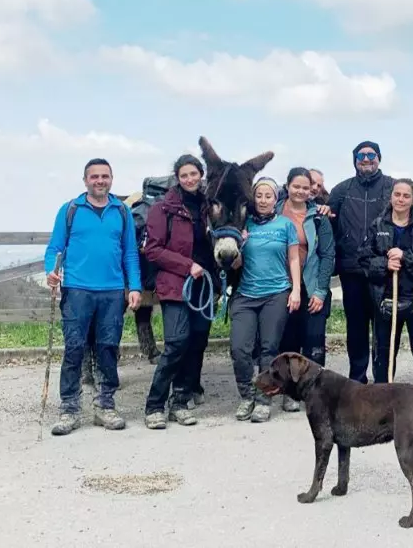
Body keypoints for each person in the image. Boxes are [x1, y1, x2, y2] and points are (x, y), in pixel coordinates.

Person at [44, 158, 142, 436]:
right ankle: (69, 409)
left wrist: (133, 286)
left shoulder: (121, 211)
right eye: (94, 176)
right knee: (74, 349)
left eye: (105, 176)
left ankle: (105, 406)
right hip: (77, 290)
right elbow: (55, 248)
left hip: (112, 292)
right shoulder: (70, 210)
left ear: (112, 179)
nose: (100, 181)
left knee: (108, 349)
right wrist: (52, 272)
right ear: (85, 180)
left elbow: (130, 254)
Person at [141, 154, 217, 429]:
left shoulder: (209, 208)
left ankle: (181, 401)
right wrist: (188, 266)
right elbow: (153, 250)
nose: (189, 179)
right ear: (177, 177)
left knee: (196, 342)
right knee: (176, 343)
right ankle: (154, 405)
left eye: (193, 174)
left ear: (201, 175)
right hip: (176, 285)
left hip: (203, 286)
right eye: (184, 175)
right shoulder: (163, 210)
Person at [358, 178, 413, 392]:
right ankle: (382, 398)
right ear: (391, 196)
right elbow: (364, 260)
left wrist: (405, 257)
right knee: (384, 352)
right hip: (385, 300)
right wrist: (385, 264)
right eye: (397, 194)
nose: (401, 199)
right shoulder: (377, 226)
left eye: (406, 195)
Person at [229, 177, 302, 423]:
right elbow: (235, 264)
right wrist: (241, 244)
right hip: (246, 295)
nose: (262, 200)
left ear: (275, 198)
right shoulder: (244, 224)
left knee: (269, 349)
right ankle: (246, 396)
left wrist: (296, 291)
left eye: (268, 196)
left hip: (276, 293)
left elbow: (293, 259)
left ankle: (263, 399)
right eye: (258, 195)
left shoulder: (285, 225)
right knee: (239, 348)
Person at [327, 141, 395, 384]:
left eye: (371, 155)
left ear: (379, 158)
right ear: (354, 159)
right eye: (361, 155)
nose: (366, 159)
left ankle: (383, 381)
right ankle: (357, 379)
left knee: (384, 328)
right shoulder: (341, 190)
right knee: (356, 328)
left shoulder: (392, 187)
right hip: (352, 270)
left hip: (383, 271)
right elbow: (328, 226)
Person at [276, 167, 336, 411]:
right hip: (282, 284)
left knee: (314, 341)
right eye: (296, 186)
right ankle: (289, 391)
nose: (300, 191)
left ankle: (315, 393)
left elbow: (328, 254)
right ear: (288, 186)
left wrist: (321, 291)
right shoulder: (274, 211)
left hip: (311, 284)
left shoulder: (319, 217)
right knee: (288, 340)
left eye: (305, 187)